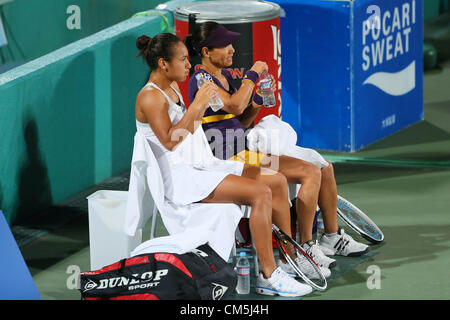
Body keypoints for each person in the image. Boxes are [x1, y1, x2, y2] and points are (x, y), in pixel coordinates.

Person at [133, 32, 314, 297]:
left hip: (200, 163)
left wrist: (208, 106)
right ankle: (268, 274)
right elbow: (171, 141)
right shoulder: (150, 97)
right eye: (182, 59)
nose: (188, 64)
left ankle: (287, 262)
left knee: (274, 180)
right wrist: (197, 106)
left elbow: (196, 129)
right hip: (181, 180)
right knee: (260, 193)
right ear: (163, 63)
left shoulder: (172, 88)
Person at [185, 22, 369, 273]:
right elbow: (236, 106)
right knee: (306, 173)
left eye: (231, 45)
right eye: (225, 45)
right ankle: (302, 249)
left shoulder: (225, 76)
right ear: (206, 52)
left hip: (246, 151)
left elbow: (241, 119)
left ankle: (320, 241)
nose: (231, 50)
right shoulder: (201, 78)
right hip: (229, 158)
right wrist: (252, 75)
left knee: (317, 169)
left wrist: (258, 100)